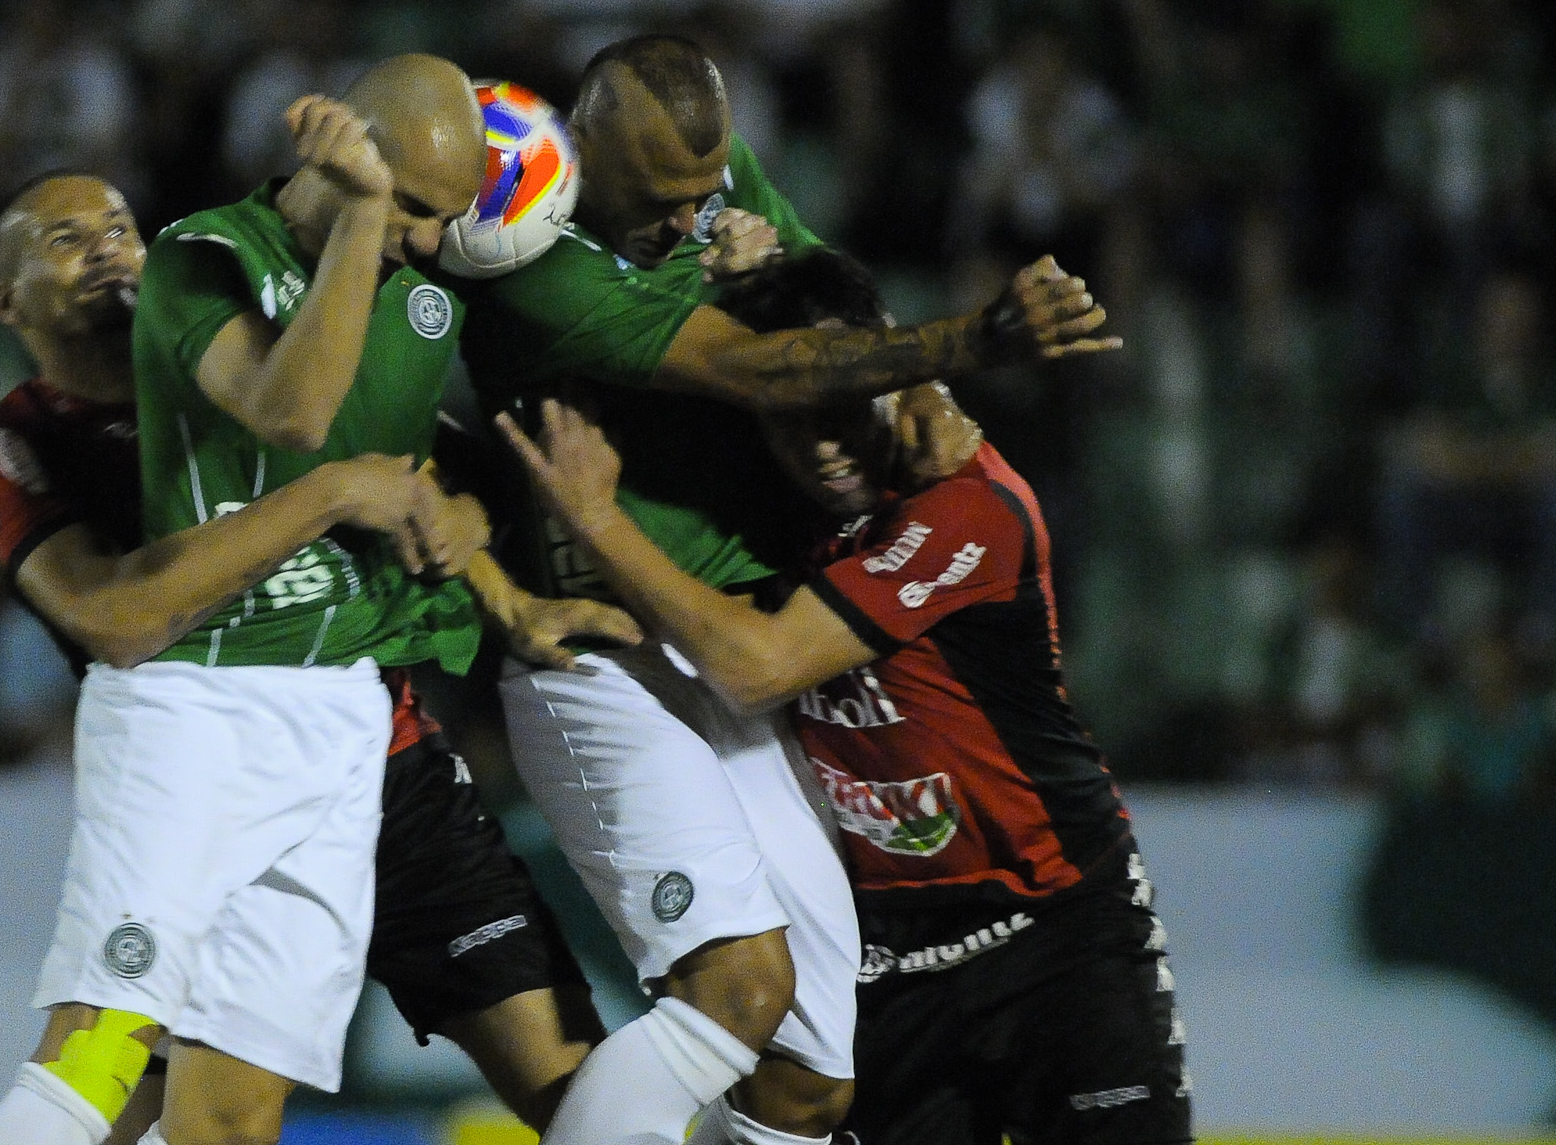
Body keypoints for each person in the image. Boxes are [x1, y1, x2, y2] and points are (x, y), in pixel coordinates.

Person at [449, 33, 1117, 1145]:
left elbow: (831, 315)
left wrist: (901, 375)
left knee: (810, 1077)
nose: (688, 218)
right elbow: (752, 366)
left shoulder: (709, 183)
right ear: (588, 151)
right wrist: (972, 339)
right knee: (737, 990)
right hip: (603, 659)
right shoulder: (527, 251)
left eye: (704, 193)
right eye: (660, 202)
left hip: (736, 654)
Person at [0, 171, 632, 1145]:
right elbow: (112, 616)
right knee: (111, 1073)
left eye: (119, 227)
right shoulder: (16, 442)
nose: (106, 247)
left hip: (384, 764)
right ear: (5, 301)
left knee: (573, 1090)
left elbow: (449, 468)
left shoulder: (252, 362)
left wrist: (473, 534)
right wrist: (328, 493)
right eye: (66, 239)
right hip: (204, 775)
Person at [498, 247, 1191, 1145]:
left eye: (843, 408)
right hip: (892, 955)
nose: (822, 446)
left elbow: (759, 668)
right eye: (791, 421)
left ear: (888, 375)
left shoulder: (969, 506)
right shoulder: (776, 507)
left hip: (1058, 933)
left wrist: (595, 518)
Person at [106, 52, 618, 1145]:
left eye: (441, 218)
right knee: (206, 1119)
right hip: (234, 746)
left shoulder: (422, 292)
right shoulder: (201, 260)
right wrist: (362, 217)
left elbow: (427, 456)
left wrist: (476, 533)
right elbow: (294, 412)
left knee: (580, 1089)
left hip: (385, 744)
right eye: (415, 210)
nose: (430, 242)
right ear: (352, 154)